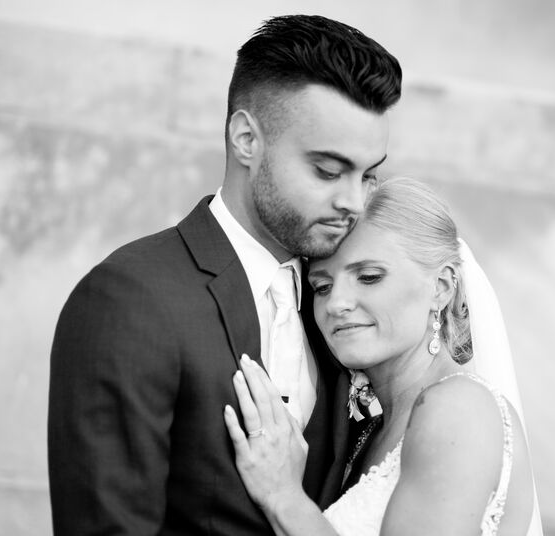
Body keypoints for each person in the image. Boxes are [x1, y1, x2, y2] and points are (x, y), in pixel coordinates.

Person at [47, 15, 401, 535]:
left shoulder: (344, 307)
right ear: (246, 139)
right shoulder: (130, 298)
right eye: (328, 171)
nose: (353, 201)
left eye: (368, 175)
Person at [224, 177, 538, 535]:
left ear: (441, 287)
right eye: (322, 287)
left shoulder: (459, 408)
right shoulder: (370, 430)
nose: (336, 303)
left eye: (369, 277)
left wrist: (283, 496)